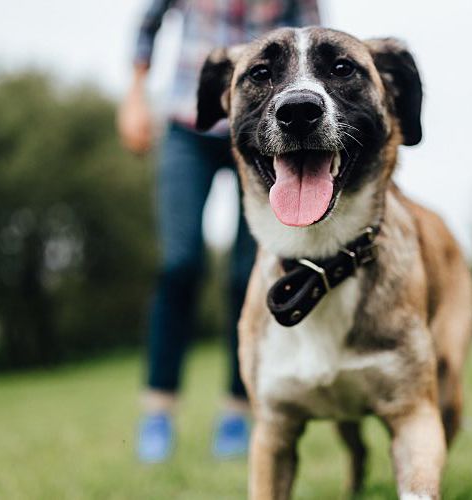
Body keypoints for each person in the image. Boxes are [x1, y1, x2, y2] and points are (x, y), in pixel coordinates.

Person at [117, 0, 321, 463]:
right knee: (178, 264)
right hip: (189, 123)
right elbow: (149, 22)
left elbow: (313, 41)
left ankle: (235, 408)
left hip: (266, 125)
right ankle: (158, 410)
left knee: (247, 275)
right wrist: (135, 94)